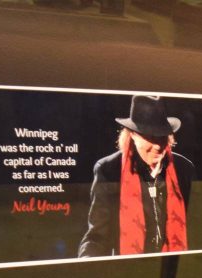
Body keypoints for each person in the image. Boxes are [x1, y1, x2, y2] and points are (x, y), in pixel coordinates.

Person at [79, 95, 195, 257]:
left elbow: (196, 226)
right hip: (129, 271)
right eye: (149, 136)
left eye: (161, 136)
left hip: (171, 267)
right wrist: (86, 263)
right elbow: (98, 235)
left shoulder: (184, 169)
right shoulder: (108, 170)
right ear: (132, 135)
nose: (157, 146)